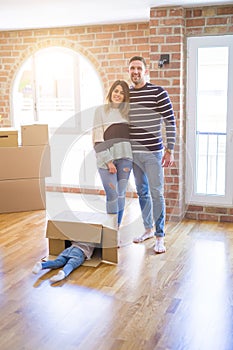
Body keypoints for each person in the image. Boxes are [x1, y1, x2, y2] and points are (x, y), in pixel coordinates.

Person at [128, 56, 176, 254]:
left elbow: (170, 121)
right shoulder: (127, 94)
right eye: (132, 68)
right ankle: (147, 229)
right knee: (142, 192)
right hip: (133, 154)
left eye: (139, 68)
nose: (135, 72)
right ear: (128, 71)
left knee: (157, 193)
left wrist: (169, 149)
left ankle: (159, 236)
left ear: (145, 71)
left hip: (153, 153)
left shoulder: (158, 92)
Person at [92, 80, 133, 230]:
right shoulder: (101, 111)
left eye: (122, 93)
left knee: (121, 194)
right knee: (112, 194)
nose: (118, 95)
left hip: (125, 159)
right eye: (116, 91)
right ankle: (110, 231)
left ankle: (115, 230)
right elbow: (97, 138)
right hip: (105, 160)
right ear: (111, 92)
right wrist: (108, 161)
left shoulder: (128, 113)